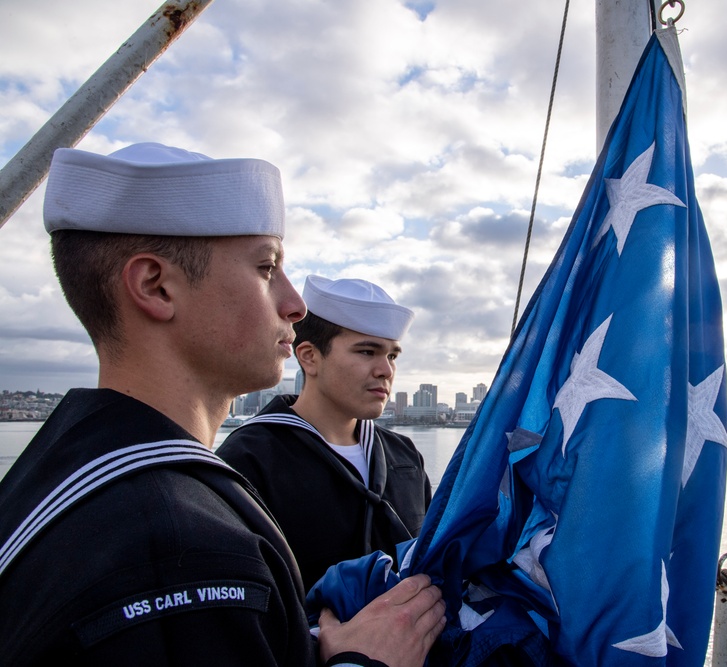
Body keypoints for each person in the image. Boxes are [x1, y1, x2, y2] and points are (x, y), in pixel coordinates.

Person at [0, 142, 444, 666]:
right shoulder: (181, 545)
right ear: (156, 286)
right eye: (265, 268)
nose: (294, 305)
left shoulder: (62, 477)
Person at [217, 276, 432, 590]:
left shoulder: (404, 455)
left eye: (392, 356)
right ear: (309, 356)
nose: (385, 370)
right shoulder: (250, 460)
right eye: (367, 352)